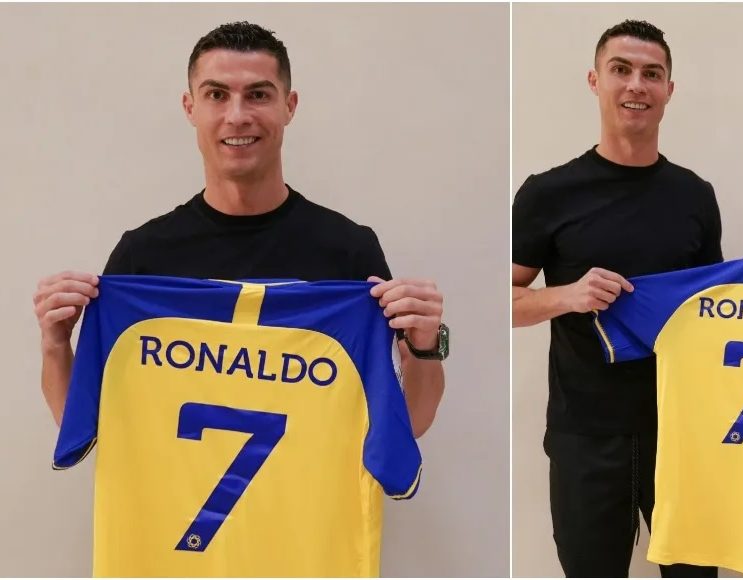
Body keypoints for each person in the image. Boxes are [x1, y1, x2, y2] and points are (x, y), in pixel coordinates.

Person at [32, 22, 447, 437]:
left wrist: (425, 345)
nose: (237, 116)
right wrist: (55, 344)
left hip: (312, 484)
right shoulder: (143, 255)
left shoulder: (349, 250)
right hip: (173, 484)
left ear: (289, 106)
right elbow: (87, 426)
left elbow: (408, 424)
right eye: (216, 95)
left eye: (258, 95)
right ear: (190, 107)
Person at [513, 19, 743, 577]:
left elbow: (708, 310)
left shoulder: (694, 195)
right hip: (586, 432)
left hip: (683, 429)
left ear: (669, 90)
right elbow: (500, 300)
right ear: (595, 80)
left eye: (652, 74)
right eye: (621, 70)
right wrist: (567, 296)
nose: (637, 84)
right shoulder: (547, 193)